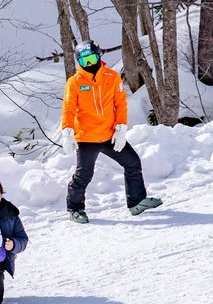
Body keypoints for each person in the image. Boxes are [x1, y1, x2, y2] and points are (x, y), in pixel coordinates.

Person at [60, 40, 162, 223]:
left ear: (98, 56)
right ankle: (75, 208)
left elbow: (120, 104)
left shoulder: (112, 77)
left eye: (91, 58)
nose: (89, 64)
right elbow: (68, 108)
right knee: (84, 175)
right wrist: (67, 131)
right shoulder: (74, 82)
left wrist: (121, 128)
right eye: (84, 61)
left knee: (133, 163)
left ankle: (137, 202)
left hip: (109, 135)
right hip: (87, 137)